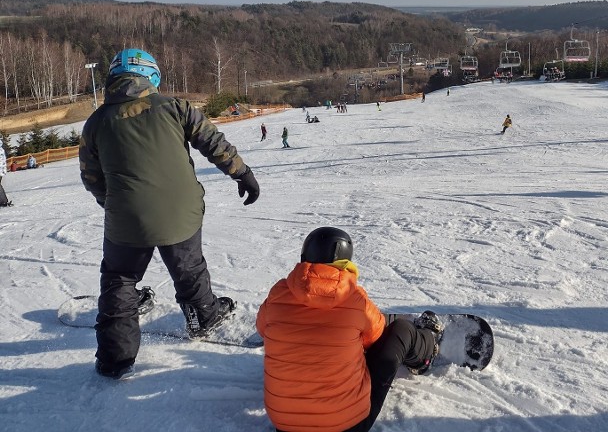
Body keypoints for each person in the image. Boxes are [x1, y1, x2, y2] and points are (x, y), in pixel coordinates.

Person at [78, 48, 260, 380]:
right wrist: (241, 173)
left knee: (120, 277)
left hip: (126, 217)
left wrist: (116, 203)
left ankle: (115, 358)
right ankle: (203, 314)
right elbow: (211, 140)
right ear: (152, 76)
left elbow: (91, 177)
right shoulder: (175, 107)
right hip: (180, 209)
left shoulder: (96, 123)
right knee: (188, 266)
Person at [256, 227, 443, 432]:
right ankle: (426, 349)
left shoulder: (277, 294)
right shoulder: (355, 298)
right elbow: (377, 337)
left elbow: (262, 329)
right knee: (401, 330)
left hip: (285, 426)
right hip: (349, 425)